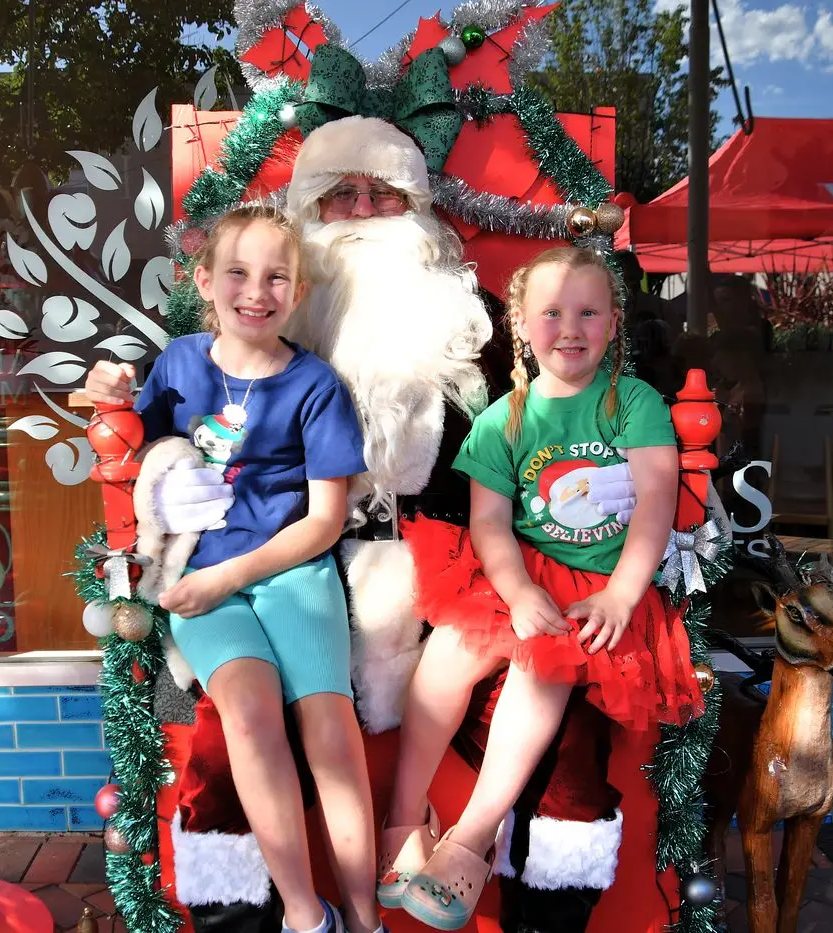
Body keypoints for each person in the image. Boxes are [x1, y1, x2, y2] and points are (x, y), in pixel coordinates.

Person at [144, 115, 659, 933]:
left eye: (380, 195)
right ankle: (250, 918)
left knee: (568, 735)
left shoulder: (480, 330)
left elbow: (542, 448)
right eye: (339, 195)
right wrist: (167, 477)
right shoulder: (256, 337)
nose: (360, 211)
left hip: (448, 576)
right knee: (223, 734)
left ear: (416, 209)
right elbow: (166, 436)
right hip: (297, 572)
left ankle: (537, 914)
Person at [379, 247, 704, 930]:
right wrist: (517, 589)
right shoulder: (504, 417)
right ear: (522, 327)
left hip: (599, 585)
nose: (571, 328)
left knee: (543, 665)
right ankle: (404, 818)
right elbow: (489, 522)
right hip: (519, 571)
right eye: (551, 313)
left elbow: (655, 502)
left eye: (588, 312)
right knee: (447, 654)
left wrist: (621, 594)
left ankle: (471, 836)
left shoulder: (632, 403)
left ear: (612, 323)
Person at [82, 205, 383, 933]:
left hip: (289, 571)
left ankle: (365, 918)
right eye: (238, 272)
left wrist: (232, 575)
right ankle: (306, 915)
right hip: (199, 577)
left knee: (330, 729)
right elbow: (138, 460)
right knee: (249, 715)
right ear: (204, 281)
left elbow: (323, 520)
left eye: (276, 276)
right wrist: (111, 395)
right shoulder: (179, 365)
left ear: (298, 292)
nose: (256, 290)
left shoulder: (315, 386)